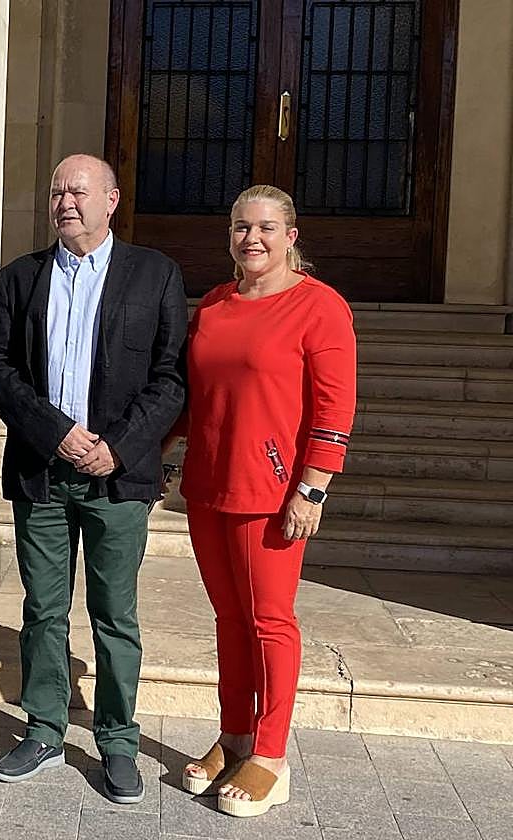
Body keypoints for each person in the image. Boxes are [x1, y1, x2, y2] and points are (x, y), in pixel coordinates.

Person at [0, 154, 187, 802]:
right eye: (56, 190)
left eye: (78, 190)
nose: (66, 201)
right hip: (43, 473)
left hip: (116, 481)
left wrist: (117, 447)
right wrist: (55, 431)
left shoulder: (155, 275)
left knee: (114, 615)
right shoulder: (19, 279)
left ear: (111, 200)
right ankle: (42, 729)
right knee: (42, 610)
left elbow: (172, 375)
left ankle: (118, 742)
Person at [175, 185, 356, 817]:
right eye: (240, 228)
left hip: (274, 492)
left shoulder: (319, 307)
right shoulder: (217, 303)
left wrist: (313, 486)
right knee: (229, 620)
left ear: (291, 235)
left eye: (266, 228)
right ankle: (234, 736)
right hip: (208, 484)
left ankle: (271, 757)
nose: (252, 239)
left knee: (269, 621)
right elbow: (195, 394)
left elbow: (335, 408)